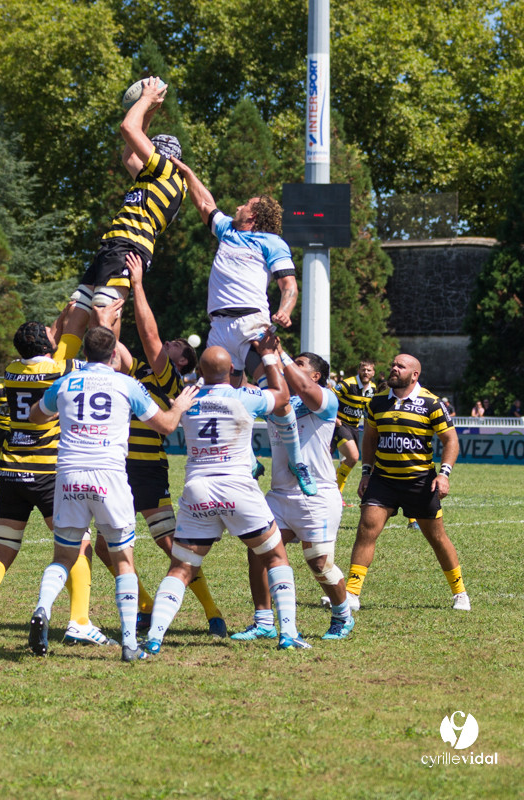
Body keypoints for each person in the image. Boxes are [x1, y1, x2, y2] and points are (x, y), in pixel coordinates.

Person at [26, 326, 195, 661]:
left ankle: (43, 608)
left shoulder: (66, 382)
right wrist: (180, 406)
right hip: (110, 477)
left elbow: (34, 416)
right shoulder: (126, 384)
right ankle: (130, 643)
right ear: (114, 355)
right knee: (123, 561)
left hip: (70, 474)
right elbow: (165, 425)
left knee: (63, 557)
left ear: (84, 353)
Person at [0, 311, 117, 648]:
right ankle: (79, 621)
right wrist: (79, 309)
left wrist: (61, 316)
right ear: (46, 343)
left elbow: (56, 335)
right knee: (79, 545)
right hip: (49, 472)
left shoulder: (12, 370)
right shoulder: (60, 369)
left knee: (2, 549)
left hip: (12, 470)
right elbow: (70, 339)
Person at [142, 336, 312, 654]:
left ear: (201, 372)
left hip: (198, 490)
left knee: (181, 568)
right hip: (237, 487)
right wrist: (268, 357)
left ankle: (154, 638)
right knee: (275, 557)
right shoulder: (244, 397)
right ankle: (287, 633)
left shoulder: (186, 396)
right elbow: (282, 397)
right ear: (231, 369)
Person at [171, 155, 315, 497]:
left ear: (253, 215)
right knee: (222, 397)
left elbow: (289, 286)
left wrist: (285, 311)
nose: (237, 206)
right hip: (219, 327)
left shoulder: (271, 242)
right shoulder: (227, 231)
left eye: (244, 204)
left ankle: (298, 463)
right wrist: (188, 173)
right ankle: (250, 460)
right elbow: (205, 202)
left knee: (279, 400)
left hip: (253, 325)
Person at [127, 254, 228, 637]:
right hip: (120, 467)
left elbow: (150, 336)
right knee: (105, 546)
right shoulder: (137, 369)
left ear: (182, 360)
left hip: (146, 468)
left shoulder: (170, 379)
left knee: (170, 545)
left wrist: (138, 284)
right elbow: (112, 343)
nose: (169, 342)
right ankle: (144, 604)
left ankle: (211, 611)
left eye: (176, 345)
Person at [55, 76, 187, 359]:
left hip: (128, 247)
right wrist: (150, 112)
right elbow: (129, 154)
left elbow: (128, 128)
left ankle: (107, 369)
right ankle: (59, 364)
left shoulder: (166, 172)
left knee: (105, 309)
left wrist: (146, 99)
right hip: (114, 244)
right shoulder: (152, 177)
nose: (140, 156)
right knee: (80, 306)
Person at [233, 346, 354, 643]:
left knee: (319, 562)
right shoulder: (275, 398)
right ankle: (263, 621)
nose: (291, 368)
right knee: (258, 551)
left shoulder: (326, 399)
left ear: (315, 375)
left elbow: (302, 386)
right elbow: (239, 388)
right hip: (279, 494)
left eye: (300, 364)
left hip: (317, 494)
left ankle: (342, 615)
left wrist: (278, 352)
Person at [342, 354, 467, 611]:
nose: (394, 369)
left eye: (401, 366)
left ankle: (459, 593)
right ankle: (351, 593)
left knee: (437, 538)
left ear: (414, 375)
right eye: (393, 365)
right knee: (366, 529)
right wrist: (366, 473)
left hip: (419, 483)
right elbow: (369, 440)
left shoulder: (431, 403)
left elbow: (451, 441)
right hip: (383, 480)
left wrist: (444, 474)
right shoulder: (377, 402)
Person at [332, 360, 377, 495]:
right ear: (359, 371)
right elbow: (330, 396)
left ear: (373, 372)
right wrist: (333, 417)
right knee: (353, 457)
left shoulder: (373, 389)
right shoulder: (348, 383)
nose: (366, 372)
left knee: (347, 460)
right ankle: (335, 493)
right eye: (363, 369)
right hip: (340, 425)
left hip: (355, 427)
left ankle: (336, 493)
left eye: (369, 370)